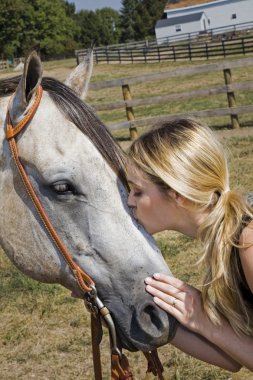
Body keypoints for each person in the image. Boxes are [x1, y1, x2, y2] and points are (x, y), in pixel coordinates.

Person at [127, 118, 253, 371]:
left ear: (177, 194)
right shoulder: (227, 239)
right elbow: (233, 357)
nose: (129, 201)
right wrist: (158, 315)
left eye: (137, 191)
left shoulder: (249, 243)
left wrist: (207, 324)